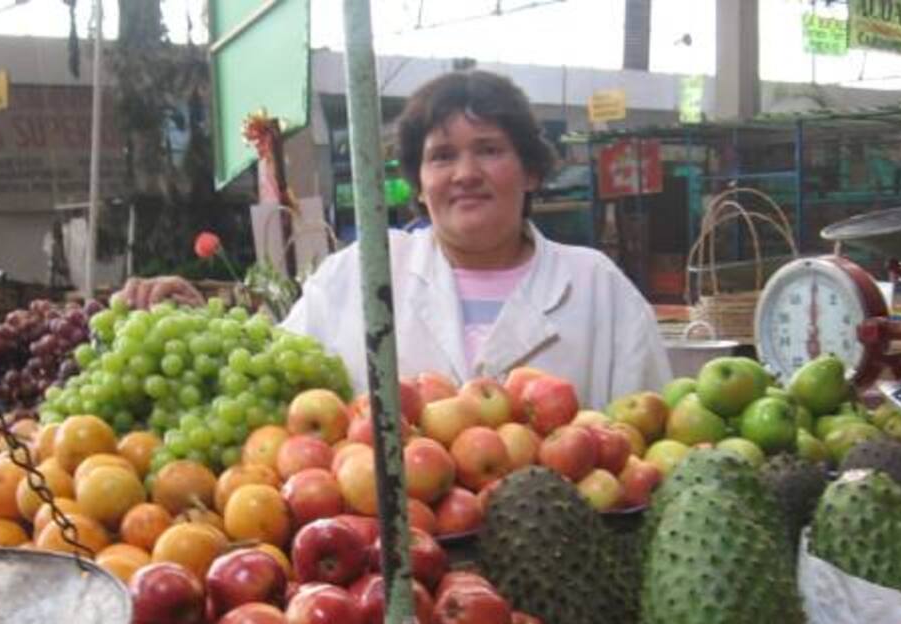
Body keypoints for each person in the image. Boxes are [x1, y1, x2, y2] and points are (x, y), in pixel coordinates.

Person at [280, 70, 671, 408]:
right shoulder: (358, 274)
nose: (465, 174)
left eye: (489, 150)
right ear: (419, 185)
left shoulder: (599, 288)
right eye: (442, 156)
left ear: (530, 171)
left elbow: (648, 437)